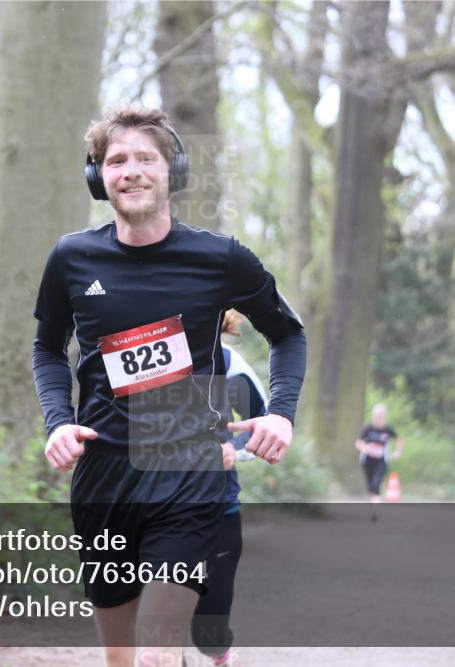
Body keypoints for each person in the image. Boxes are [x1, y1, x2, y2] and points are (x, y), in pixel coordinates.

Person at [32, 106, 306, 667]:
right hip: (104, 479)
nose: (130, 171)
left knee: (157, 651)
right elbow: (47, 349)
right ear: (97, 177)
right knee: (123, 659)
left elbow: (287, 334)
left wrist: (281, 412)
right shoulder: (72, 258)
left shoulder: (219, 258)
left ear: (170, 171)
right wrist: (58, 422)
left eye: (144, 158)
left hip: (188, 475)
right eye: (115, 161)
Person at [190, 309, 267, 667]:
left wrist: (233, 451)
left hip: (217, 507)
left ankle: (218, 652)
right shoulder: (141, 362)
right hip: (153, 507)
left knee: (208, 633)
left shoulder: (228, 362)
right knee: (156, 619)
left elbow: (262, 425)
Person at [354, 404, 403, 517]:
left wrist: (398, 451)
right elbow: (358, 442)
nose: (379, 418)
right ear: (373, 416)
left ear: (385, 416)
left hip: (381, 461)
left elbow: (399, 439)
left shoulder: (388, 429)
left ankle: (375, 510)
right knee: (371, 485)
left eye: (381, 416)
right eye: (377, 416)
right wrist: (365, 448)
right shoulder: (368, 428)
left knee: (376, 483)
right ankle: (373, 505)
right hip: (367, 461)